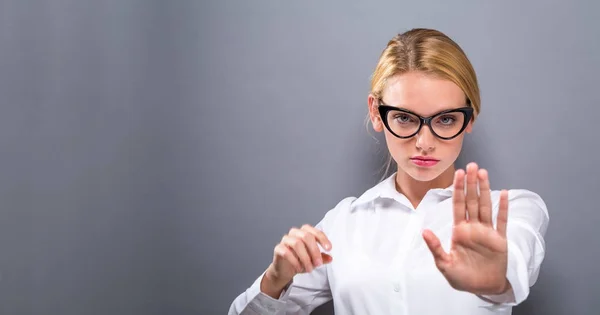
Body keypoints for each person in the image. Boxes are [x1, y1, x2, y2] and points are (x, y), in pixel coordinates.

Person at [227, 28, 549, 315]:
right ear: (377, 113)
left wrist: (498, 279)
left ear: (470, 118)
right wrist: (275, 279)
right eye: (405, 119)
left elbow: (518, 262)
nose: (424, 143)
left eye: (446, 119)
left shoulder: (515, 210)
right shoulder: (342, 225)